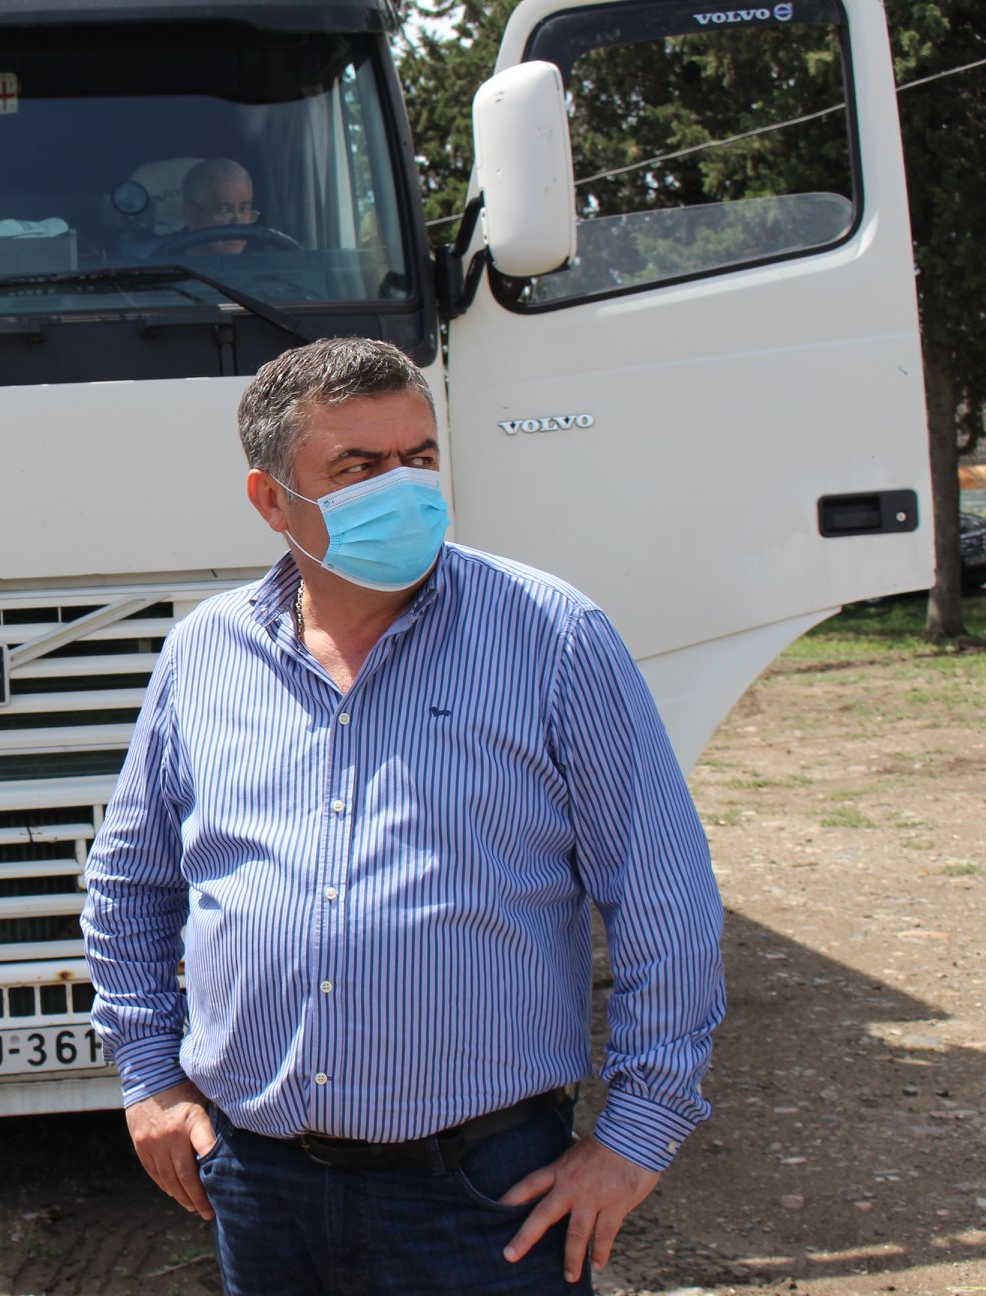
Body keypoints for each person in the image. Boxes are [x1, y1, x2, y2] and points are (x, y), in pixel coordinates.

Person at [81, 337, 725, 1294]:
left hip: (486, 1190)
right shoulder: (203, 655)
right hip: (261, 1185)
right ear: (270, 500)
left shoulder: (552, 637)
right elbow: (130, 883)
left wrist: (638, 1134)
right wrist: (148, 1073)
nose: (404, 489)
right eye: (358, 468)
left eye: (419, 458)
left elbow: (662, 892)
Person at [181, 158, 258, 254]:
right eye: (224, 210)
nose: (237, 223)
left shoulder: (263, 259)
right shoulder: (165, 259)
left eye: (244, 209)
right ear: (191, 215)